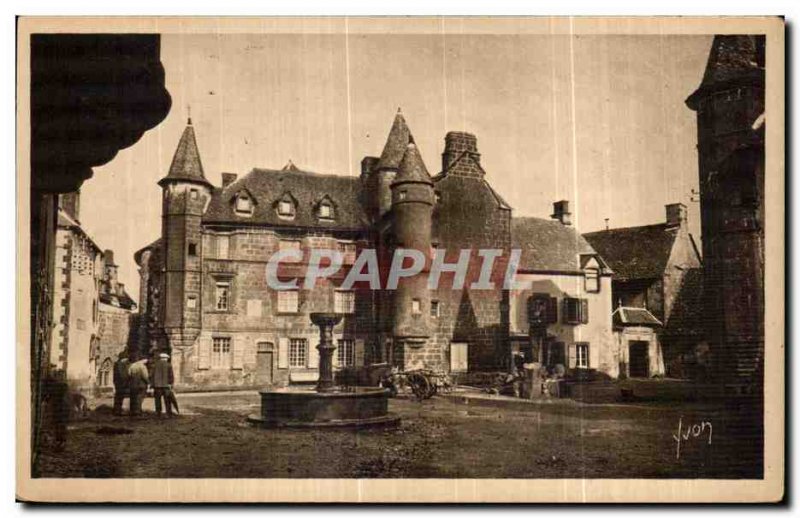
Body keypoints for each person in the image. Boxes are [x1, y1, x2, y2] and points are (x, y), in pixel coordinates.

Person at [151, 352, 175, 418]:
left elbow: (152, 376)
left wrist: (152, 385)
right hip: (166, 386)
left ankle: (158, 413)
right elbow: (171, 375)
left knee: (157, 400)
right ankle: (168, 413)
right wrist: (171, 383)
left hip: (157, 386)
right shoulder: (168, 365)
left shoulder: (154, 365)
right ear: (165, 358)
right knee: (167, 400)